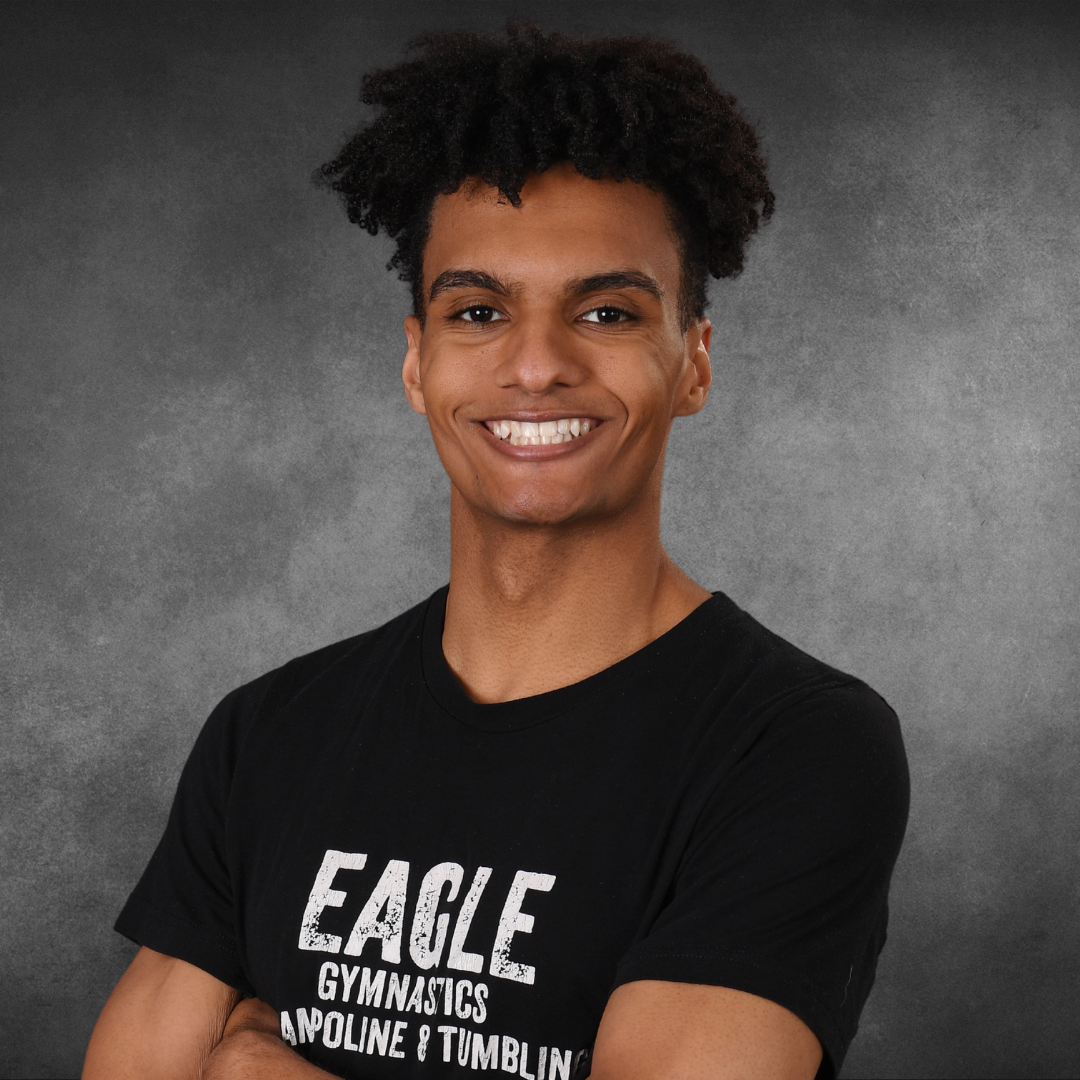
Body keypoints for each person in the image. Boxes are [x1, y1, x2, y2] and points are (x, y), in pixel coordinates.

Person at [83, 21, 908, 1080]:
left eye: (606, 311)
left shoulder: (794, 747)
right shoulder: (270, 734)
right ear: (419, 362)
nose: (535, 366)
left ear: (693, 364)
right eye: (477, 311)